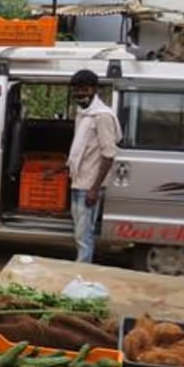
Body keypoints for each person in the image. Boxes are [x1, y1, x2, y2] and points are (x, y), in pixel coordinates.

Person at [66, 68, 121, 264]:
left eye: (84, 89)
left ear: (94, 89)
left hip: (88, 186)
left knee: (84, 235)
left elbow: (109, 154)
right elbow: (82, 149)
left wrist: (94, 189)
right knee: (80, 233)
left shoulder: (101, 116)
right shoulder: (85, 113)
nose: (79, 93)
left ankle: (82, 274)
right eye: (76, 89)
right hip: (78, 181)